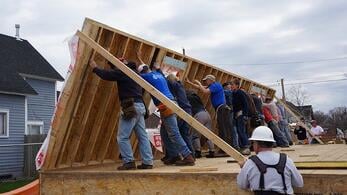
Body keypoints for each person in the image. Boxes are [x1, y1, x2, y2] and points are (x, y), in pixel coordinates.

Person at [89, 59, 153, 170]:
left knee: (122, 137)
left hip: (131, 107)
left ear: (124, 66)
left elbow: (107, 75)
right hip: (140, 106)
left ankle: (129, 162)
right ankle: (148, 162)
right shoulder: (135, 74)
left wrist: (95, 68)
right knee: (142, 137)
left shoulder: (124, 72)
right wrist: (113, 63)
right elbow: (116, 73)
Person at [137, 53, 194, 166]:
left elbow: (135, 75)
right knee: (164, 132)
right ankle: (174, 155)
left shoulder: (146, 77)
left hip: (166, 105)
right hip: (171, 104)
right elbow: (148, 69)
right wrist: (140, 59)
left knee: (173, 133)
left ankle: (188, 156)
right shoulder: (158, 74)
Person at [237, 126, 304, 194]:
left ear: (256, 144)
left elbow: (242, 185)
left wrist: (243, 168)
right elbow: (299, 183)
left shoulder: (250, 163)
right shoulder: (286, 160)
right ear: (272, 143)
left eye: (253, 143)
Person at [186, 75, 241, 154]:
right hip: (221, 109)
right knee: (222, 128)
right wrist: (190, 83)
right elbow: (200, 87)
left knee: (223, 129)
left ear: (211, 80)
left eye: (206, 80)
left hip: (221, 109)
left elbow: (205, 91)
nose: (205, 82)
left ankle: (225, 149)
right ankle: (224, 148)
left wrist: (198, 82)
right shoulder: (213, 86)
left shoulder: (216, 85)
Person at [186, 89, 215, 158]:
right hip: (207, 114)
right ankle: (212, 151)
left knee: (195, 135)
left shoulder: (188, 98)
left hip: (199, 115)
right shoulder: (197, 97)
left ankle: (198, 152)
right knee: (208, 134)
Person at [230, 78, 251, 155]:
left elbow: (245, 104)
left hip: (241, 114)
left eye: (232, 84)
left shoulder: (240, 93)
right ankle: (243, 147)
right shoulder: (234, 93)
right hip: (237, 115)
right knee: (239, 131)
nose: (231, 86)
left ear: (237, 85)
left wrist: (245, 115)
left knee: (241, 131)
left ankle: (246, 147)